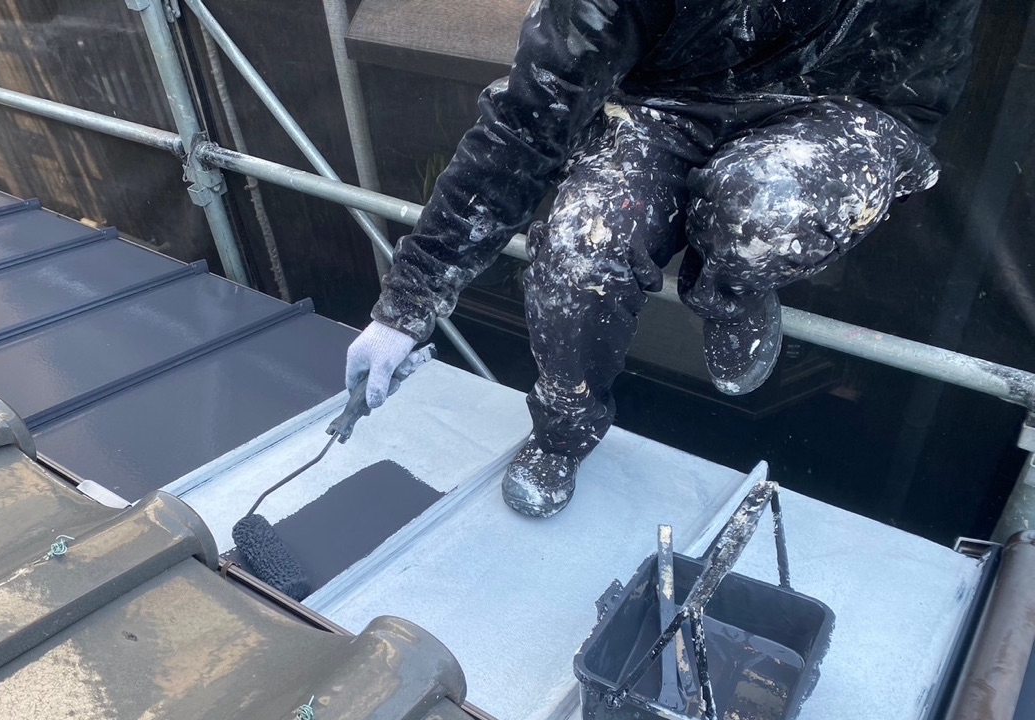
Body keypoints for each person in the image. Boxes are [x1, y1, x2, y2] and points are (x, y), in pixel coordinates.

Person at [344, 0, 980, 517]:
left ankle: (732, 284)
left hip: (838, 108)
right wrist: (406, 306)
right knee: (579, 251)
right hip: (667, 98)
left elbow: (917, 91)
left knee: (766, 211)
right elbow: (527, 121)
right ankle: (563, 430)